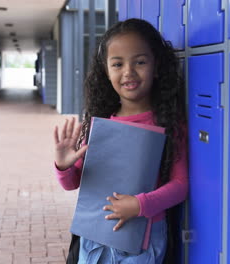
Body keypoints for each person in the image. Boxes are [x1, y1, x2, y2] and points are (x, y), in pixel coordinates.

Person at [53, 18, 188, 264]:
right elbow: (74, 183)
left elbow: (180, 185)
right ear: (106, 71)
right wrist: (63, 166)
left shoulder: (168, 122)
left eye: (140, 62)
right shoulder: (100, 122)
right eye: (117, 64)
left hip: (141, 241)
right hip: (95, 239)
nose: (128, 72)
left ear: (156, 66)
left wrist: (139, 205)